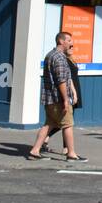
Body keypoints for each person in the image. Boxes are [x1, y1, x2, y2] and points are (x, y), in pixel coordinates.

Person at [28, 32, 86, 162]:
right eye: (69, 40)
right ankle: (71, 154)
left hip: (49, 99)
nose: (72, 43)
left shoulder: (50, 55)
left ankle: (35, 151)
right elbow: (61, 80)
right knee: (68, 125)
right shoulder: (59, 58)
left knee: (49, 124)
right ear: (61, 41)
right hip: (58, 99)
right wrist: (66, 99)